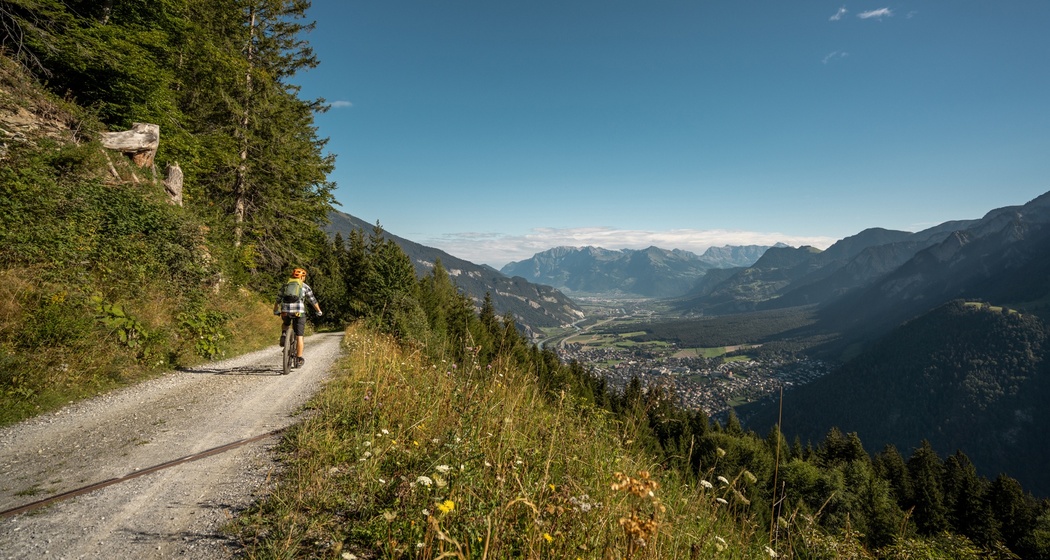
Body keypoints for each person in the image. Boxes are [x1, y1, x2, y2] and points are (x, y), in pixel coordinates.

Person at [274, 267, 322, 368]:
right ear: (302, 277)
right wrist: (319, 311)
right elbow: (313, 300)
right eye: (304, 276)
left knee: (286, 323)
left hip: (285, 311)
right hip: (299, 312)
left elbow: (278, 299)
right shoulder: (304, 286)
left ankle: (284, 334)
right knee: (299, 335)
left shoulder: (285, 286)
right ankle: (299, 358)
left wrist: (276, 310)